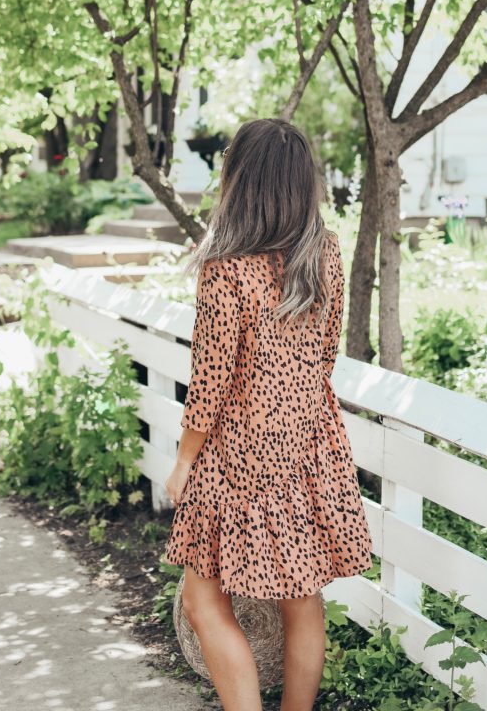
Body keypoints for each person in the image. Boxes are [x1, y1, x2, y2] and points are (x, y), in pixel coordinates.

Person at [164, 117, 373, 711]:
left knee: (204, 599)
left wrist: (183, 461)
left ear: (241, 181)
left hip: (239, 449)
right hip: (310, 440)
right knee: (302, 597)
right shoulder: (325, 255)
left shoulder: (227, 268)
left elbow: (209, 378)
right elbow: (327, 350)